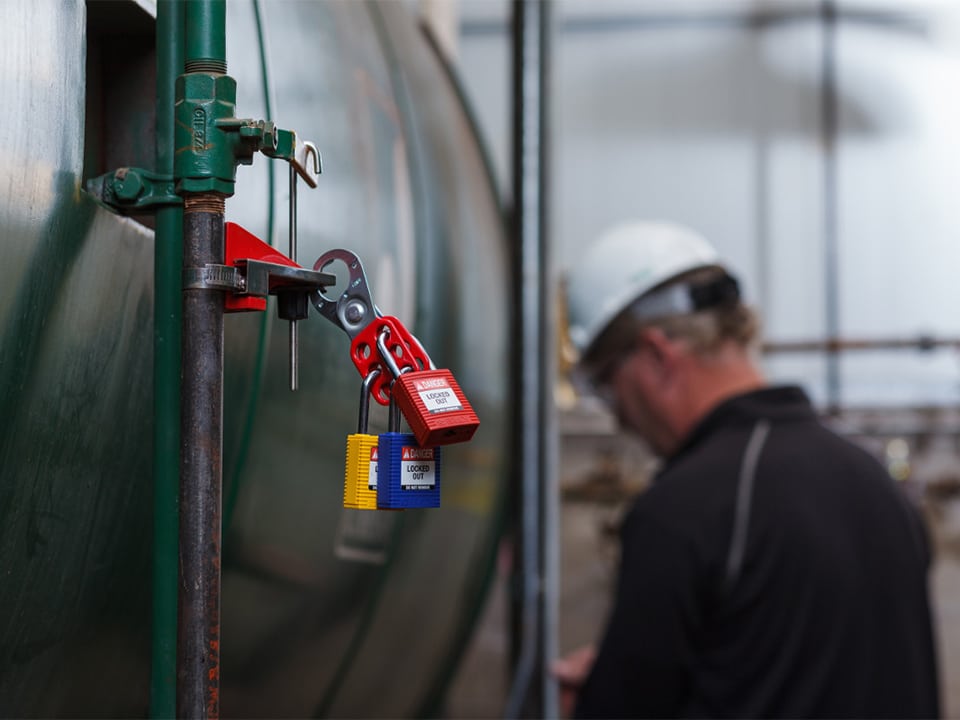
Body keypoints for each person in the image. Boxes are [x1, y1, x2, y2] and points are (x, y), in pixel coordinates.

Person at [554, 221, 940, 718]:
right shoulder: (878, 481)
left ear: (655, 355)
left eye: (608, 385)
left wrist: (599, 694)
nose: (619, 416)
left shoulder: (683, 509)